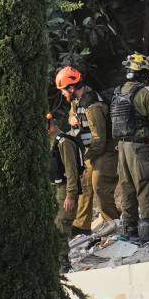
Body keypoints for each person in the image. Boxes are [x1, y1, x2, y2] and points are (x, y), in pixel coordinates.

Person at [113, 54, 149, 241]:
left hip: (121, 147)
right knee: (145, 185)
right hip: (138, 147)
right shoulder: (144, 93)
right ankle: (147, 230)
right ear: (142, 74)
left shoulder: (118, 91)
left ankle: (129, 229)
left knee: (127, 186)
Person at [57, 66, 119, 232]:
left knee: (100, 184)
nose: (63, 94)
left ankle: (113, 222)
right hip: (90, 151)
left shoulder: (93, 106)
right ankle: (82, 225)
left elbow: (100, 140)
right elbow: (72, 114)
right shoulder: (77, 101)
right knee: (84, 185)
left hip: (106, 151)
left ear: (71, 88)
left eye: (63, 90)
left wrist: (84, 157)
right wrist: (72, 119)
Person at [48, 114, 84, 270]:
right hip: (52, 188)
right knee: (52, 226)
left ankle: (63, 261)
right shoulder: (49, 142)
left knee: (62, 226)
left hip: (64, 189)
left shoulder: (63, 142)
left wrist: (71, 195)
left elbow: (71, 171)